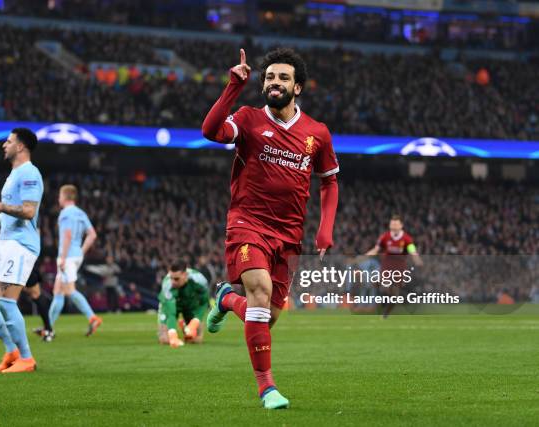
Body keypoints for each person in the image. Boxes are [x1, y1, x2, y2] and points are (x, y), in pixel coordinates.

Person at [202, 48, 339, 409]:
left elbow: (329, 182)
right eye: (269, 78)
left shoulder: (317, 133)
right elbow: (210, 130)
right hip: (248, 223)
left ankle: (226, 299)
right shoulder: (247, 119)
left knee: (267, 314)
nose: (274, 83)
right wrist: (234, 85)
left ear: (298, 88)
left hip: (289, 236)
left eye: (282, 78)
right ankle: (267, 389)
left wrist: (325, 231)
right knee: (260, 293)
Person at [0, 128, 43, 373]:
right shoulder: (14, 173)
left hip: (21, 245)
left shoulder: (29, 173)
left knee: (5, 301)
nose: (4, 145)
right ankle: (11, 350)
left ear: (21, 146)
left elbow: (28, 211)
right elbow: (12, 210)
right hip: (5, 242)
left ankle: (27, 358)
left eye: (9, 141)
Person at [48, 185, 101, 336]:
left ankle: (93, 318)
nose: (58, 198)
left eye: (59, 195)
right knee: (57, 290)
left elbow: (68, 236)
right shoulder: (81, 213)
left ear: (64, 197)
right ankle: (49, 327)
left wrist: (63, 257)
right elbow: (92, 235)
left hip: (68, 256)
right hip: (76, 255)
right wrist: (82, 251)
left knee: (70, 290)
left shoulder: (65, 214)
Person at [0, 261, 55, 343]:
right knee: (35, 294)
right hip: (22, 261)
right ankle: (48, 330)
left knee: (6, 298)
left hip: (17, 261)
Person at [364, 214, 423, 318]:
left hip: (399, 269)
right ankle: (379, 296)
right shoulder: (385, 237)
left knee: (394, 296)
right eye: (392, 224)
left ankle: (385, 313)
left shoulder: (406, 239)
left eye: (396, 224)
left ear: (401, 226)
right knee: (384, 286)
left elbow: (412, 251)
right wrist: (365, 256)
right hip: (386, 267)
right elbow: (376, 249)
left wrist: (417, 260)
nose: (394, 226)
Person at [157, 260, 209, 348]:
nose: (173, 282)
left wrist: (195, 321)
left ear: (185, 275)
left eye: (176, 279)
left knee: (196, 339)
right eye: (171, 278)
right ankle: (183, 327)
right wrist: (172, 335)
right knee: (165, 340)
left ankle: (185, 326)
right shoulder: (167, 285)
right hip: (172, 305)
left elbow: (204, 303)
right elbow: (171, 313)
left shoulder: (199, 280)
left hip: (189, 304)